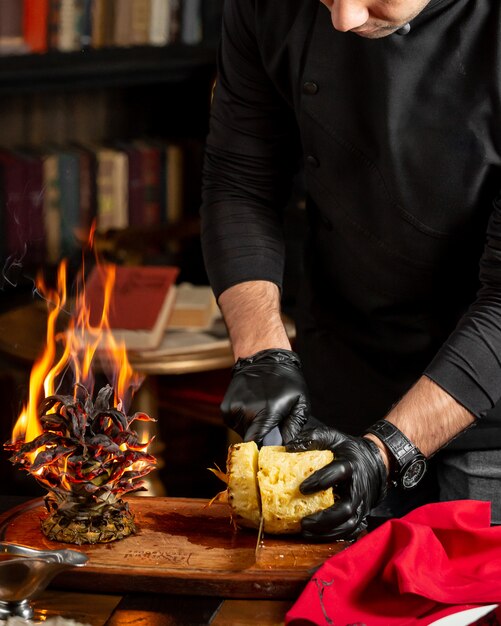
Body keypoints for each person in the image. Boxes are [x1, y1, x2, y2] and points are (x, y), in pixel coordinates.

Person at [200, 0, 501, 540]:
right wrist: (261, 350)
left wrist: (388, 452)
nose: (342, 18)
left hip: (492, 412)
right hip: (343, 382)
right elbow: (240, 181)